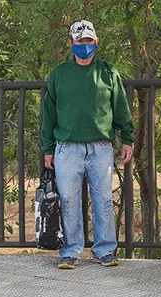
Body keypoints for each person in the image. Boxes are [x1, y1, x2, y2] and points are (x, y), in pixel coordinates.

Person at [42, 19, 135, 270]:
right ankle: (70, 251)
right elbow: (49, 112)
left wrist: (127, 138)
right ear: (71, 43)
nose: (85, 46)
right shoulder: (59, 73)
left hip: (101, 147)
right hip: (67, 147)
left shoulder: (108, 72)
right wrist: (47, 148)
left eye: (89, 41)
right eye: (80, 41)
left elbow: (121, 108)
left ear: (96, 42)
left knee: (103, 198)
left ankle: (104, 250)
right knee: (69, 199)